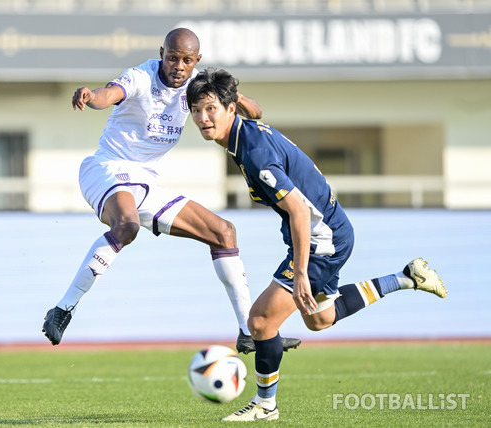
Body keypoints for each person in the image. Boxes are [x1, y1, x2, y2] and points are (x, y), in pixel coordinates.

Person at [186, 68, 447, 421]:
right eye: (196, 110)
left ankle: (266, 406)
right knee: (320, 319)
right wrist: (239, 98)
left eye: (210, 109)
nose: (203, 118)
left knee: (261, 321)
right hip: (332, 230)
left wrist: (301, 272)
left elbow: (298, 211)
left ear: (231, 109)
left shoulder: (254, 154)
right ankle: (406, 278)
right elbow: (257, 111)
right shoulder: (242, 128)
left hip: (322, 237)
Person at [41, 28, 301, 354]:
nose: (178, 65)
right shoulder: (140, 77)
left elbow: (256, 112)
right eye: (173, 57)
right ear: (161, 52)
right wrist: (91, 97)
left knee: (224, 233)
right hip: (108, 169)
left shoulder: (197, 88)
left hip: (146, 184)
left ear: (197, 61)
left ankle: (247, 333)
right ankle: (63, 309)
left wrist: (233, 99)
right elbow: (109, 94)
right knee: (127, 226)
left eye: (187, 60)